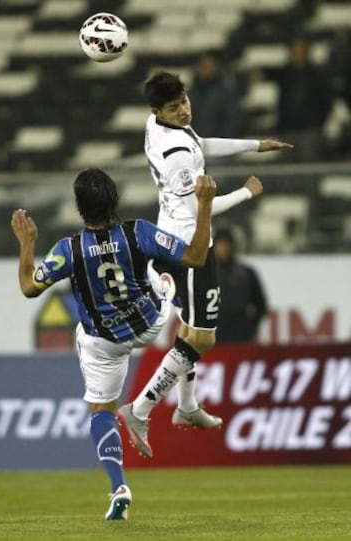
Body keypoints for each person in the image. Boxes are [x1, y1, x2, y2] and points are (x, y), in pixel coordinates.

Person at [11, 167, 216, 521]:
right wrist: (205, 205)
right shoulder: (139, 233)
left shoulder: (69, 249)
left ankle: (119, 486)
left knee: (102, 412)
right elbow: (197, 257)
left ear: (79, 207)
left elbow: (29, 287)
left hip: (105, 342)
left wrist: (27, 243)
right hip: (151, 323)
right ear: (115, 200)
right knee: (172, 294)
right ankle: (169, 293)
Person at [118, 71, 291, 456]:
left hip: (171, 238)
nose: (183, 110)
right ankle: (140, 407)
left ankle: (187, 406)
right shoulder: (176, 155)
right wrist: (247, 192)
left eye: (184, 101)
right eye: (174, 107)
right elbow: (201, 211)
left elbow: (202, 143)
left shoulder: (161, 126)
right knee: (205, 337)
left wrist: (255, 145)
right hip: (190, 246)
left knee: (188, 328)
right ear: (156, 110)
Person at [272, 37, 332, 161]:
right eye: (295, 51)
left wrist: (318, 122)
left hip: (309, 129)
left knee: (308, 164)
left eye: (301, 50)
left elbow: (326, 101)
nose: (298, 54)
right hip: (287, 128)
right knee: (287, 168)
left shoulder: (317, 75)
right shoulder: (285, 74)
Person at [213, 228, 268, 342]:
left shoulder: (246, 273)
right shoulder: (205, 273)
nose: (224, 248)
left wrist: (251, 327)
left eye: (227, 243)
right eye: (221, 244)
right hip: (214, 335)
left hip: (241, 334)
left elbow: (260, 304)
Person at [188, 49, 242, 138]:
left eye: (208, 66)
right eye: (202, 66)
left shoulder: (227, 90)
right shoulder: (192, 91)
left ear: (217, 66)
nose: (204, 69)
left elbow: (231, 121)